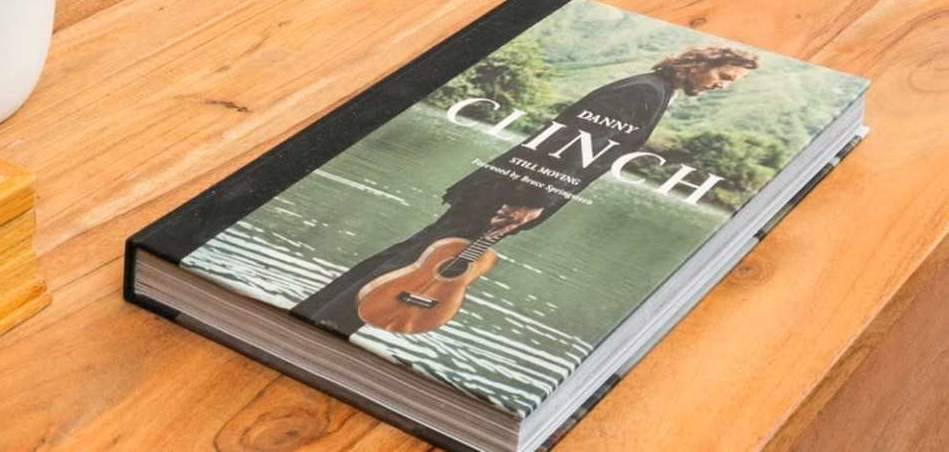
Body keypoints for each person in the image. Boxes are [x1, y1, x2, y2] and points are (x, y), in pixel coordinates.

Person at [299, 43, 758, 331]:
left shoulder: (653, 91)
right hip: (509, 194)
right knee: (419, 259)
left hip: (510, 191)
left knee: (415, 254)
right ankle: (331, 321)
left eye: (729, 83)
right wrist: (531, 199)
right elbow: (571, 146)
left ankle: (322, 313)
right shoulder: (643, 92)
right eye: (722, 77)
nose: (721, 86)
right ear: (699, 63)